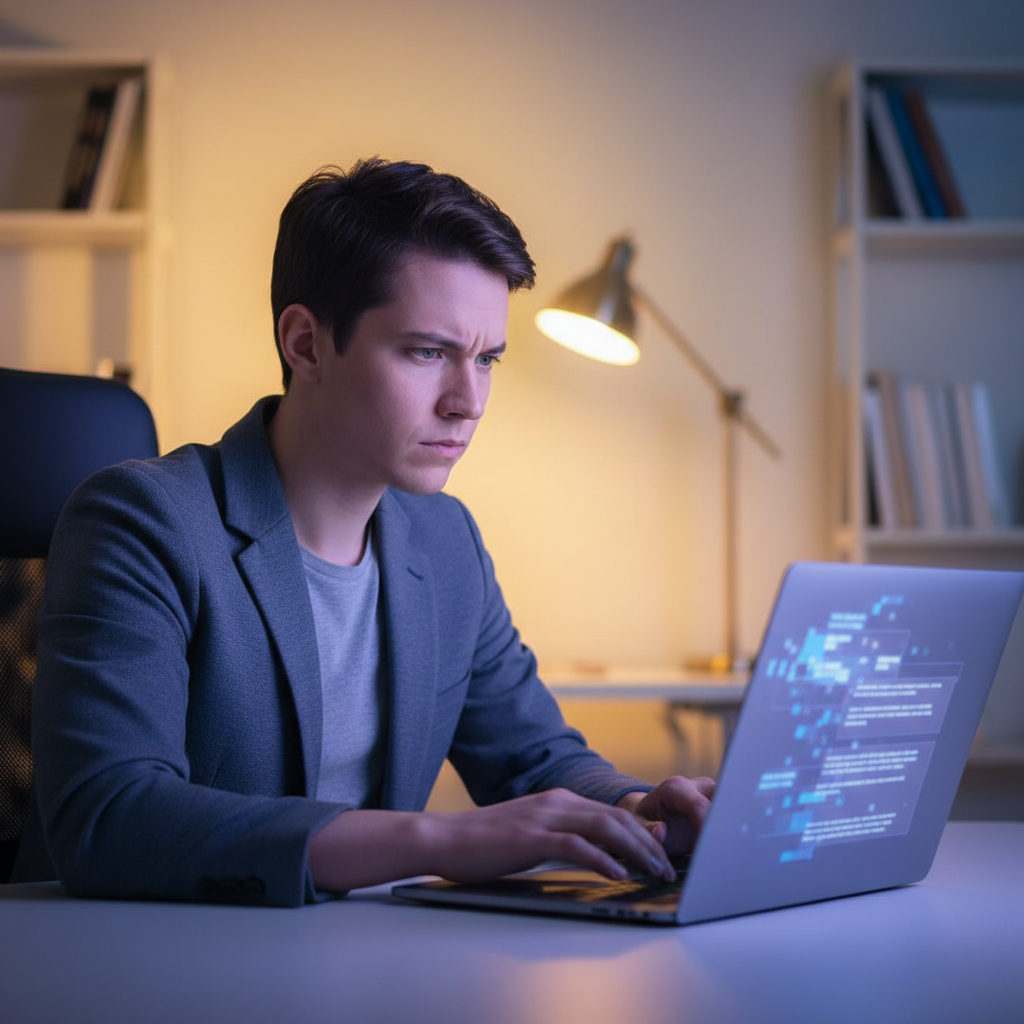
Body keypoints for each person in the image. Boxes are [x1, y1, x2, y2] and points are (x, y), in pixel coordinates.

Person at [14, 158, 714, 905]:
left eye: (486, 359)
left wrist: (635, 808)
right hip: (137, 954)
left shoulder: (445, 540)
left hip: (353, 950)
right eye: (428, 352)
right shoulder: (141, 521)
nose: (469, 401)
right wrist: (442, 840)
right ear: (306, 344)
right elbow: (109, 817)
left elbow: (534, 759)